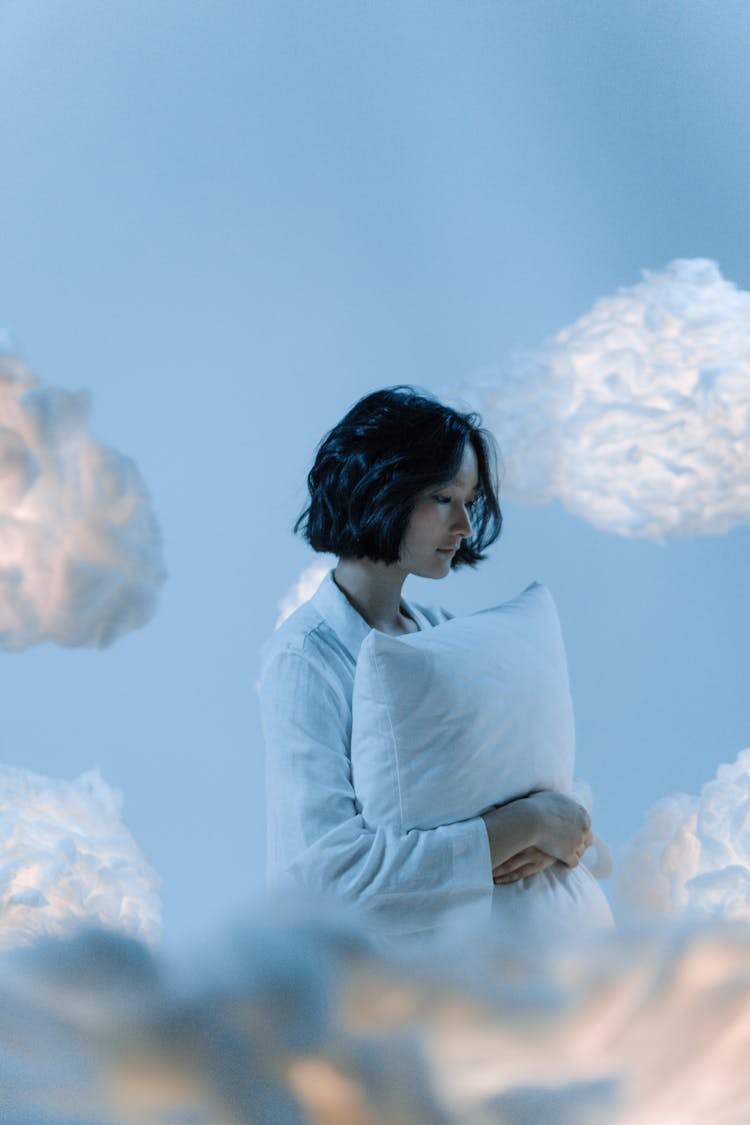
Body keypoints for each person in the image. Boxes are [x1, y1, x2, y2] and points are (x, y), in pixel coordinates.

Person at [259, 386, 597, 941]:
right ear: (382, 489)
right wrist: (519, 828)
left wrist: (560, 814)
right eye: (443, 497)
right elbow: (329, 879)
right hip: (367, 991)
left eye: (469, 501)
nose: (463, 526)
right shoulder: (305, 659)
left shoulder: (443, 632)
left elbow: (532, 774)